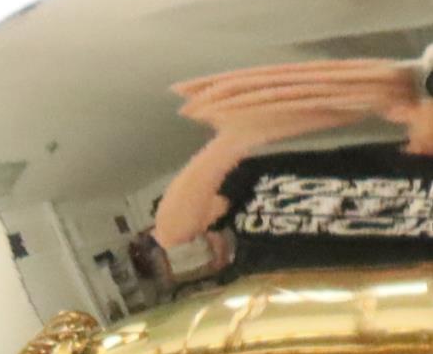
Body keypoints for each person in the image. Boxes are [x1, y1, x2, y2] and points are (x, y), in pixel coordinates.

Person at [153, 57, 433, 276]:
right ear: (402, 109)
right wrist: (236, 139)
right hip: (267, 321)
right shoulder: (260, 170)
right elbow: (174, 231)